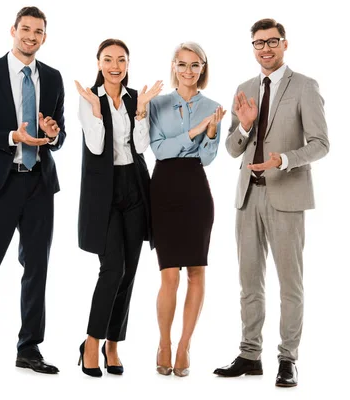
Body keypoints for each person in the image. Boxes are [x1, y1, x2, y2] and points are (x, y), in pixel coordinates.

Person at [213, 18, 330, 387]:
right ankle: (250, 355)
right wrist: (245, 126)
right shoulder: (245, 88)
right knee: (249, 281)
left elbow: (321, 144)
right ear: (252, 47)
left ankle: (287, 358)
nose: (265, 48)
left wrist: (285, 159)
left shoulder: (305, 87)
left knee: (289, 282)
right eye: (258, 43)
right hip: (248, 195)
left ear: (285, 44)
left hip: (287, 194)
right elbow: (232, 149)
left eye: (272, 41)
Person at [0, 6, 66, 380]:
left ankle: (29, 349)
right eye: (26, 29)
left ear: (44, 37)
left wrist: (51, 133)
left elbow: (60, 134)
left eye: (38, 32)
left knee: (37, 269)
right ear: (13, 30)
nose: (31, 37)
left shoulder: (52, 78)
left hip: (39, 184)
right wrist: (12, 137)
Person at [75, 39, 163, 378]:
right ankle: (91, 341)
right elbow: (96, 146)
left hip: (135, 187)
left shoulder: (133, 98)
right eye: (108, 59)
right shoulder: (89, 98)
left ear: (128, 63)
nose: (115, 65)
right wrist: (97, 113)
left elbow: (141, 146)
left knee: (129, 271)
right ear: (98, 63)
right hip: (104, 193)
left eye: (121, 59)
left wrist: (141, 109)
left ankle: (113, 343)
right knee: (112, 269)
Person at [149, 42, 226, 377]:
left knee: (197, 271)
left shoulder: (213, 106)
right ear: (174, 66)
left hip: (196, 190)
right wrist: (194, 132)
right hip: (163, 188)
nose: (189, 71)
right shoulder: (157, 104)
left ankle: (184, 345)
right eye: (183, 64)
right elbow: (158, 149)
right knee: (168, 274)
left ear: (203, 68)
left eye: (196, 65)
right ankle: (164, 342)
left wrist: (210, 132)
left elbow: (207, 157)